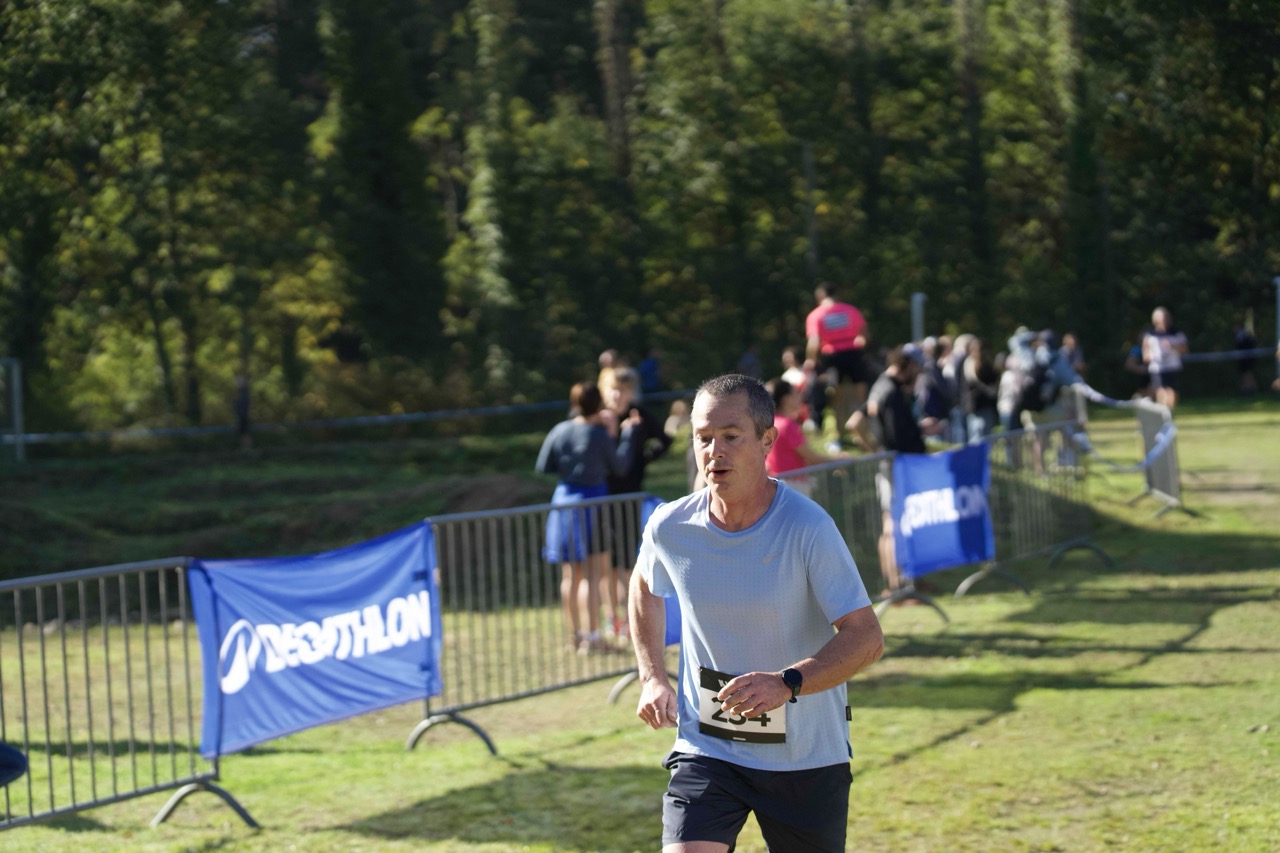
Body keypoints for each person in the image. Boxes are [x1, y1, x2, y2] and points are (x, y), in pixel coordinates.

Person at [629, 373, 884, 853]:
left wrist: (786, 682)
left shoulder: (807, 526)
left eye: (731, 436)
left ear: (767, 440)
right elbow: (643, 585)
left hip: (805, 757)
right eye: (704, 438)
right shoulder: (671, 525)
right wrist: (652, 677)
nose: (714, 452)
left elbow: (866, 636)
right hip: (708, 747)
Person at [536, 381, 635, 654]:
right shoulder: (598, 434)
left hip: (563, 503)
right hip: (593, 504)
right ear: (599, 403)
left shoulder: (560, 430)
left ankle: (575, 636)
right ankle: (592, 638)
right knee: (592, 575)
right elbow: (620, 467)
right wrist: (626, 436)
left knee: (569, 575)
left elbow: (544, 465)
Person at [846, 344, 943, 594]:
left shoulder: (881, 386)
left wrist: (876, 448)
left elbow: (856, 423)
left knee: (901, 522)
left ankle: (909, 581)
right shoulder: (890, 391)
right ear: (907, 364)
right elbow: (865, 427)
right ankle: (896, 586)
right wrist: (877, 450)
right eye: (917, 368)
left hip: (896, 464)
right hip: (897, 466)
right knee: (892, 524)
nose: (918, 374)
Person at [605, 368, 673, 642]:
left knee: (625, 560)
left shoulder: (640, 415)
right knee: (606, 561)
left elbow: (664, 440)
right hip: (603, 494)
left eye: (624, 389)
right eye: (614, 389)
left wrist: (645, 458)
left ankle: (627, 618)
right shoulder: (603, 418)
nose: (619, 395)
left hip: (630, 493)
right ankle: (611, 618)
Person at [805, 282, 871, 444]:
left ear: (820, 296)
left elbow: (814, 342)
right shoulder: (851, 310)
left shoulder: (816, 315)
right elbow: (864, 335)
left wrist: (811, 360)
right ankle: (862, 433)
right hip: (854, 354)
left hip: (832, 357)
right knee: (860, 396)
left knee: (836, 398)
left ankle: (838, 434)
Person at [764, 378, 846, 498]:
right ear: (786, 398)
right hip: (794, 486)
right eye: (795, 393)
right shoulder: (788, 425)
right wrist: (838, 461)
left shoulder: (770, 424)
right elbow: (810, 457)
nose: (800, 396)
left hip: (775, 485)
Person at [1142, 307, 1189, 409]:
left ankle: (1169, 412)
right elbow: (1145, 354)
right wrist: (1150, 356)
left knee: (1172, 392)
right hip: (1157, 367)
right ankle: (1162, 413)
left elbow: (1185, 350)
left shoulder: (1176, 333)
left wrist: (1172, 346)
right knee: (1161, 391)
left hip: (1173, 366)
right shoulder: (1149, 335)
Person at [960, 336, 1000, 442]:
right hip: (978, 405)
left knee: (980, 435)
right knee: (979, 436)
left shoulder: (985, 364)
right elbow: (975, 382)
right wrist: (990, 390)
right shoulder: (971, 364)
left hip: (980, 406)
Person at [1233, 321, 1258, 395]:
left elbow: (1242, 347)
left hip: (1246, 359)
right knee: (1246, 374)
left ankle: (1250, 390)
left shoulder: (1242, 336)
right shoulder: (1242, 335)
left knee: (1247, 374)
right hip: (1245, 359)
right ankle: (1249, 389)